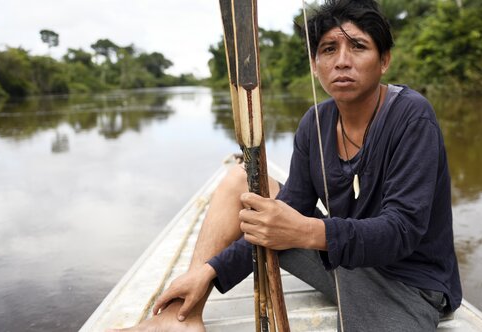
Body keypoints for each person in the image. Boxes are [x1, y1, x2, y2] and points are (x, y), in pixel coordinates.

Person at [110, 0, 461, 331]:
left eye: (357, 46)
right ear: (314, 64)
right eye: (328, 49)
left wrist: (305, 231)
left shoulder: (412, 116)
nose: (341, 61)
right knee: (240, 183)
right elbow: (291, 207)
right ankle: (182, 316)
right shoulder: (315, 123)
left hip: (409, 283)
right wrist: (210, 271)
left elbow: (402, 229)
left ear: (384, 60)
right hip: (343, 260)